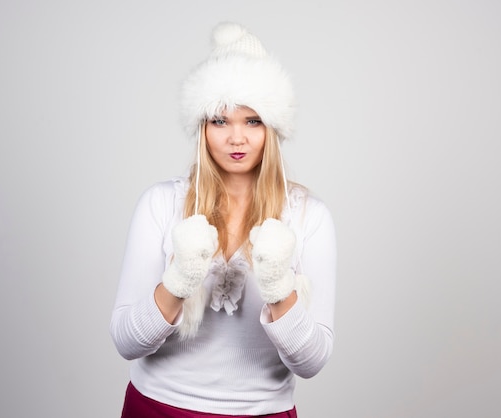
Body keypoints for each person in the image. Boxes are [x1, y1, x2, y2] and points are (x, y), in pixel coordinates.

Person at [110, 21, 337, 418]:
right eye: (220, 120)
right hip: (159, 406)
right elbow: (127, 342)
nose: (236, 138)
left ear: (272, 127)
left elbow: (312, 362)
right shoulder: (160, 204)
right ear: (201, 126)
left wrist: (278, 286)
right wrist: (179, 280)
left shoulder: (308, 216)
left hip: (262, 411)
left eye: (252, 121)